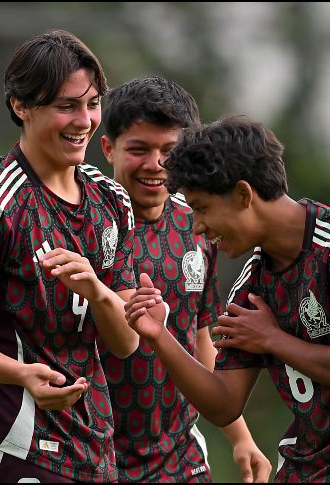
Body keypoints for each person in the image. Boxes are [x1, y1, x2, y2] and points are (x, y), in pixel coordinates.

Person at [125, 114, 330, 482]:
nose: (196, 226)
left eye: (202, 208)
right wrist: (160, 336)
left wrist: (271, 339)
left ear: (244, 194)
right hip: (308, 467)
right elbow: (224, 403)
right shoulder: (252, 285)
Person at [0, 30, 154, 483]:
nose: (84, 120)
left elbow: (126, 342)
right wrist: (21, 374)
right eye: (65, 106)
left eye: (92, 104)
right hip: (7, 441)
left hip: (89, 446)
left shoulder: (112, 200)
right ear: (21, 106)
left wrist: (96, 290)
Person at [99, 77, 271, 483]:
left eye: (168, 152)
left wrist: (240, 437)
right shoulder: (83, 221)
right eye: (138, 150)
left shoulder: (196, 223)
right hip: (93, 458)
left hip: (179, 459)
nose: (155, 165)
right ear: (108, 149)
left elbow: (200, 336)